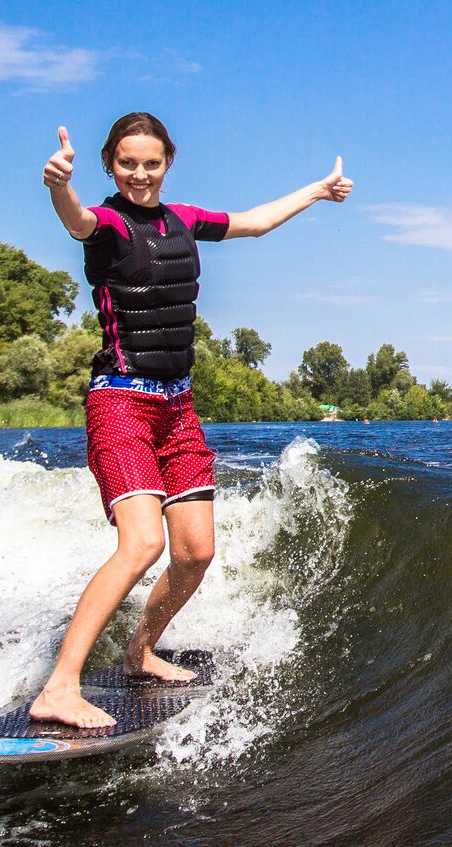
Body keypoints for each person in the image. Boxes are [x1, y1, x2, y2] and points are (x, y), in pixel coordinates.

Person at [29, 111, 353, 729]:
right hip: (121, 401)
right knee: (143, 543)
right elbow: (75, 220)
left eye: (151, 163)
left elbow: (253, 224)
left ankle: (140, 650)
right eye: (127, 163)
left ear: (167, 163)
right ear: (110, 165)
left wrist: (317, 190)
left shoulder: (183, 219)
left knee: (196, 552)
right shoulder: (107, 225)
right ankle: (60, 686)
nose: (140, 174)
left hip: (177, 405)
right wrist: (56, 185)